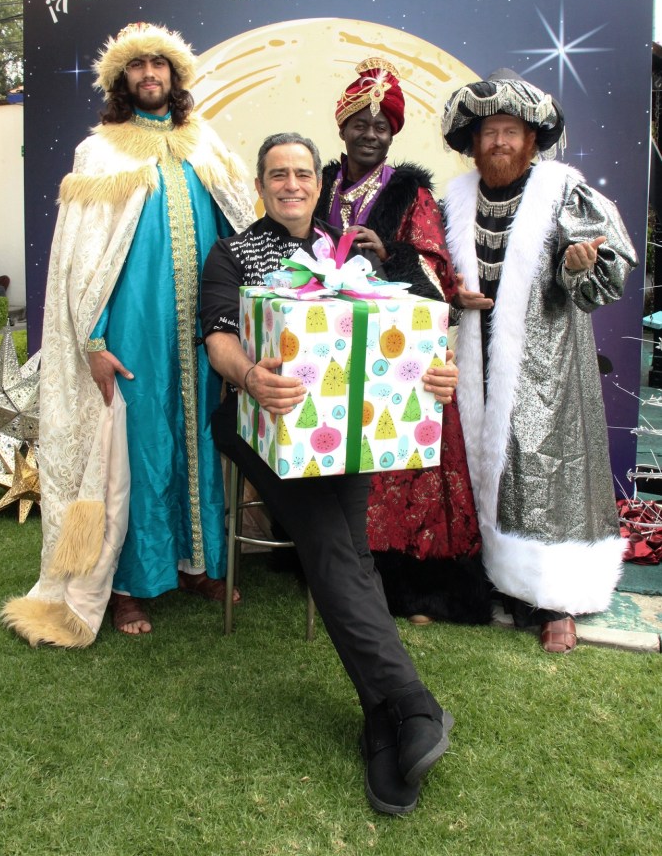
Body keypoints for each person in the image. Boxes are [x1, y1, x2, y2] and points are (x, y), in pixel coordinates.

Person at [201, 131, 458, 816]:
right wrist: (250, 376)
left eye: (303, 173)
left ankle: (385, 723)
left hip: (344, 428)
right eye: (277, 174)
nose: (291, 184)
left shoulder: (351, 254)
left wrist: (436, 372)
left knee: (338, 549)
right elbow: (219, 338)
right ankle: (413, 703)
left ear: (319, 184)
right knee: (334, 543)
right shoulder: (233, 253)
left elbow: (408, 329)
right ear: (261, 185)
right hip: (255, 420)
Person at [1, 21, 255, 647]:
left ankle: (197, 566)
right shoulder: (100, 153)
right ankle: (127, 585)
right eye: (137, 66)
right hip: (133, 332)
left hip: (203, 333)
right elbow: (80, 262)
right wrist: (93, 341)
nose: (149, 75)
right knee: (136, 453)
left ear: (174, 75)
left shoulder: (204, 144)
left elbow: (240, 229)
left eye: (158, 65)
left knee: (201, 443)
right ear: (121, 79)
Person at [441, 71, 638, 653]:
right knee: (478, 466)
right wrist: (452, 294)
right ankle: (488, 578)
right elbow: (430, 270)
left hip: (547, 365)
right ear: (473, 143)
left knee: (546, 471)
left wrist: (579, 265)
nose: (500, 142)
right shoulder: (453, 200)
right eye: (489, 132)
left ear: (531, 140)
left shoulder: (564, 193)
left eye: (511, 131)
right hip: (472, 359)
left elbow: (607, 273)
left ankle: (556, 601)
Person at [315, 58, 489, 626]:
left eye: (381, 126)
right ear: (342, 128)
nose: (370, 134)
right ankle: (334, 567)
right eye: (360, 124)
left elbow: (438, 277)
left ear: (393, 134)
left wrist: (389, 255)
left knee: (398, 461)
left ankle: (413, 588)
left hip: (395, 348)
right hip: (328, 346)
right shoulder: (318, 183)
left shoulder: (409, 193)